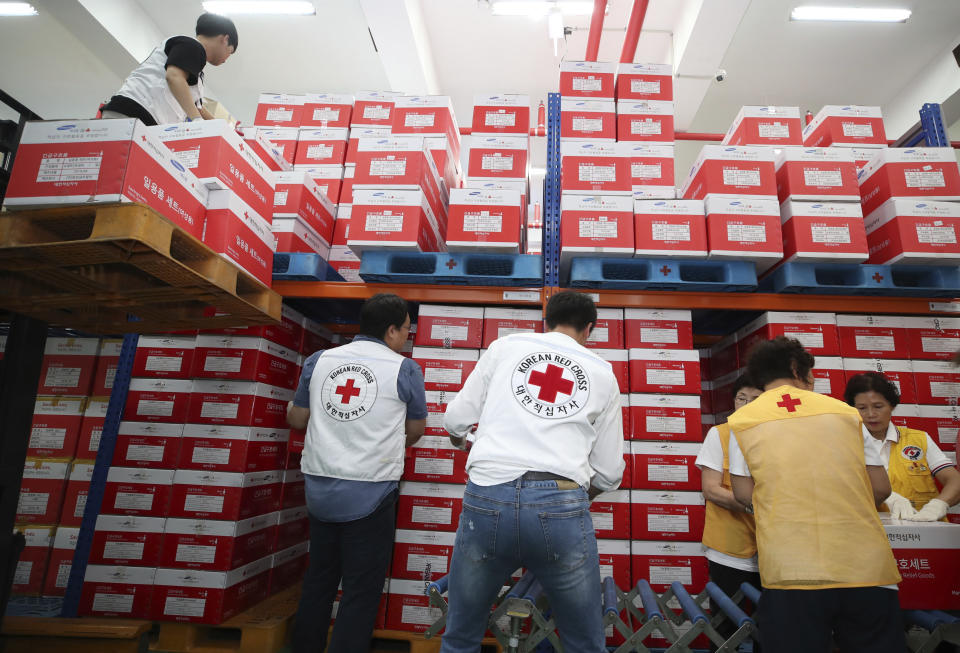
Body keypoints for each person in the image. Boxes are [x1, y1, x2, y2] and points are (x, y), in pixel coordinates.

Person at [440, 291, 624, 653]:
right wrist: (569, 496)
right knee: (584, 641)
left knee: (461, 634)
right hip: (561, 505)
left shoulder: (505, 348)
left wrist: (461, 441)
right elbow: (608, 471)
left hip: (487, 497)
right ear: (589, 330)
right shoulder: (602, 373)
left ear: (546, 320)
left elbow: (455, 419)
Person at [727, 336, 904, 653]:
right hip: (864, 567)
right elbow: (881, 489)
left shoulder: (742, 422)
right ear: (798, 370)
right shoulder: (847, 414)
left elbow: (743, 493)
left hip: (792, 569)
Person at [286, 293, 426, 653]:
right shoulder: (404, 368)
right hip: (371, 492)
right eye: (406, 331)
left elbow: (297, 419)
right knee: (361, 590)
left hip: (319, 489)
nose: (406, 338)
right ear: (392, 330)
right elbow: (415, 430)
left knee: (319, 579)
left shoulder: (318, 361)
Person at [844, 372, 960, 521]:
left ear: (892, 406)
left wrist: (939, 505)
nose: (871, 414)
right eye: (862, 408)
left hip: (926, 532)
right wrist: (884, 496)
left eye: (878, 406)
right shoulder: (846, 443)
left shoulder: (919, 439)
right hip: (872, 531)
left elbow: (954, 480)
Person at [695, 374, 764, 603]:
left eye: (755, 398)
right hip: (728, 552)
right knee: (724, 627)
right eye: (741, 398)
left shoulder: (778, 437)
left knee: (768, 629)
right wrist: (757, 508)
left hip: (771, 553)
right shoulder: (720, 434)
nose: (746, 405)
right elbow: (711, 489)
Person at [100, 13, 237, 125]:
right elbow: (174, 77)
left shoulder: (195, 64)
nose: (225, 60)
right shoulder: (192, 46)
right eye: (229, 52)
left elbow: (197, 107)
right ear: (225, 39)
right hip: (135, 112)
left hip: (142, 117)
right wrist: (197, 121)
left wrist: (220, 127)